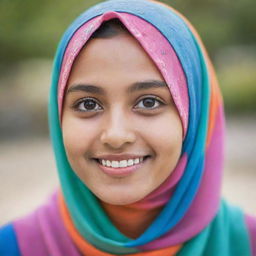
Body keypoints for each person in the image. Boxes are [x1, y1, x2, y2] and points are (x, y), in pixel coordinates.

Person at [0, 0, 255, 255]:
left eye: (148, 101)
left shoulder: (248, 244)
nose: (116, 135)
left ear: (195, 114)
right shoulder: (12, 247)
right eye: (88, 104)